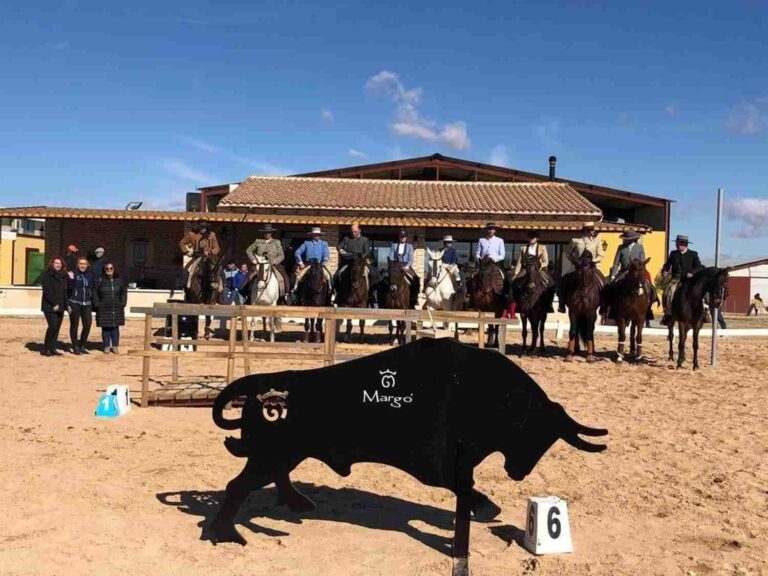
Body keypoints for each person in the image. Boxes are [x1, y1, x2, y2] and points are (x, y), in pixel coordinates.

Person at [558, 222, 606, 313]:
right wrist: (575, 261)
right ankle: (562, 304)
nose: (592, 231)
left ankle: (603, 305)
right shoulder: (575, 241)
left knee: (604, 281)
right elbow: (568, 254)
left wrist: (593, 261)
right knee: (563, 280)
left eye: (592, 230)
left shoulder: (597, 242)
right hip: (577, 266)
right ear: (585, 231)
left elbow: (601, 255)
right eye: (590, 230)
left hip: (592, 267)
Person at [660, 234, 703, 326]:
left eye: (679, 243)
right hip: (676, 279)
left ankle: (705, 313)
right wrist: (665, 271)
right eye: (677, 243)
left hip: (689, 281)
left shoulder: (693, 254)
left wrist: (692, 272)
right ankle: (668, 314)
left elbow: (699, 266)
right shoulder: (673, 253)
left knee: (701, 292)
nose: (677, 245)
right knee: (668, 292)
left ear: (685, 244)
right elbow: (667, 265)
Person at [246, 224, 290, 302]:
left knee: (283, 277)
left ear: (271, 233)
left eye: (269, 232)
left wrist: (274, 261)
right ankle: (247, 295)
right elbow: (248, 250)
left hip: (273, 265)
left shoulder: (277, 242)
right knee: (249, 277)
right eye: (265, 233)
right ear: (263, 233)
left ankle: (285, 295)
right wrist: (253, 260)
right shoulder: (258, 241)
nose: (267, 234)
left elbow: (281, 255)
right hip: (260, 264)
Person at [512, 230, 555, 311]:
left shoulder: (542, 247)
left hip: (538, 269)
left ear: (536, 239)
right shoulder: (523, 248)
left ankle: (549, 304)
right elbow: (519, 262)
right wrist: (515, 273)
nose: (531, 239)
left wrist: (540, 266)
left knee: (551, 283)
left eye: (533, 238)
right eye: (530, 238)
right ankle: (517, 303)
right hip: (525, 269)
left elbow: (546, 261)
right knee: (514, 283)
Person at [336, 222, 380, 300]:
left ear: (359, 230)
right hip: (349, 263)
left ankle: (371, 294)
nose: (353, 233)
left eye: (355, 231)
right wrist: (341, 250)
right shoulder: (347, 239)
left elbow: (367, 252)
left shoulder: (365, 240)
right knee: (338, 274)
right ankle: (338, 294)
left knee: (374, 275)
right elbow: (339, 246)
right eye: (352, 231)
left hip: (361, 263)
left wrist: (360, 258)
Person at [92, 261, 127, 354]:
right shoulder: (100, 279)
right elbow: (95, 292)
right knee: (106, 327)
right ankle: (106, 346)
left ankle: (115, 346)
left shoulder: (119, 279)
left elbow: (124, 292)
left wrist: (123, 302)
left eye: (111, 268)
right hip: (103, 307)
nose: (109, 270)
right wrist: (97, 303)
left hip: (116, 307)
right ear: (104, 270)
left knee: (115, 327)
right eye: (107, 269)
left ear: (114, 269)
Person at [179, 219, 221, 289]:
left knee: (219, 269)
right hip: (197, 257)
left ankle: (221, 290)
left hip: (209, 257)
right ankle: (188, 289)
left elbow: (217, 248)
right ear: (198, 226)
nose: (203, 228)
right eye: (201, 226)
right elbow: (182, 243)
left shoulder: (212, 235)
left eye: (204, 227)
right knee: (187, 271)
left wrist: (210, 251)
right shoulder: (192, 234)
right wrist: (186, 252)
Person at [40, 256, 69, 356]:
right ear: (52, 264)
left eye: (60, 263)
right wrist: (54, 303)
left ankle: (53, 348)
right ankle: (46, 348)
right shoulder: (47, 274)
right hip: (50, 306)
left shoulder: (63, 276)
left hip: (60, 306)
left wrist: (67, 305)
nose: (58, 265)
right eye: (56, 263)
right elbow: (47, 291)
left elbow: (65, 291)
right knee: (52, 326)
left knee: (57, 328)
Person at [68, 257, 96, 354]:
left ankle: (82, 345)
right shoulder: (73, 274)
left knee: (87, 324)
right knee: (74, 325)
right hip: (75, 302)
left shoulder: (90, 275)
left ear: (87, 265)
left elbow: (92, 288)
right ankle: (75, 346)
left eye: (84, 264)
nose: (83, 265)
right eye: (81, 263)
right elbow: (68, 288)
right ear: (78, 265)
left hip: (87, 303)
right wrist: (71, 279)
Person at [293, 226, 332, 292]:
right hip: (309, 265)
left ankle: (330, 292)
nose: (317, 236)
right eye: (315, 234)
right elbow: (297, 252)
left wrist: (324, 262)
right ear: (312, 235)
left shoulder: (324, 243)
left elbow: (326, 255)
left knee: (329, 277)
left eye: (318, 234)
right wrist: (301, 263)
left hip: (319, 265)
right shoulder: (306, 243)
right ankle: (296, 291)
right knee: (298, 277)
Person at [388, 229, 420, 306]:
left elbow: (411, 259)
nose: (402, 238)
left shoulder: (410, 246)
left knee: (416, 279)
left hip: (406, 265)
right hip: (396, 265)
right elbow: (391, 257)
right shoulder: (394, 246)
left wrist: (406, 267)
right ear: (399, 237)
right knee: (386, 277)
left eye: (404, 237)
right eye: (401, 236)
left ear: (406, 237)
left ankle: (414, 298)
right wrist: (394, 266)